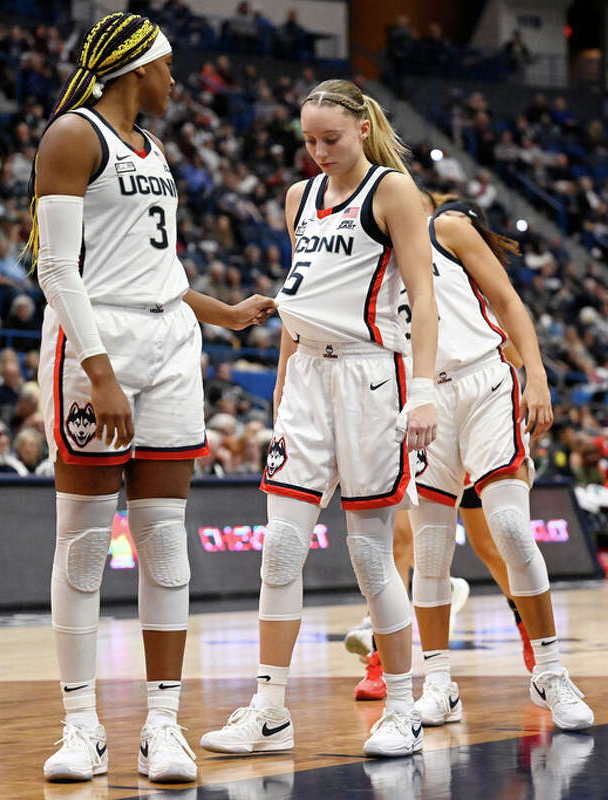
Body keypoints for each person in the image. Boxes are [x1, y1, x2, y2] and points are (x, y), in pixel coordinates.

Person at [27, 13, 275, 785]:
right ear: (139, 69)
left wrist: (222, 313)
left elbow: (155, 271)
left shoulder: (155, 149)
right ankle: (81, 728)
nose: (177, 81)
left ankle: (163, 726)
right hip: (96, 347)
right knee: (85, 546)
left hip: (171, 343)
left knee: (166, 543)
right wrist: (99, 373)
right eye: (170, 68)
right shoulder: (73, 136)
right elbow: (58, 271)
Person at [201, 79, 438, 759]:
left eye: (329, 138)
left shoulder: (393, 192)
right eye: (308, 140)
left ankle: (402, 706)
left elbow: (423, 296)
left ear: (362, 127)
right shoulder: (297, 198)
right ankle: (269, 709)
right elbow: (297, 291)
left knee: (368, 552)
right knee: (279, 547)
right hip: (306, 374)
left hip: (371, 376)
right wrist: (281, 381)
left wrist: (423, 389)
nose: (318, 151)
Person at [402, 193, 591, 731]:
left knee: (508, 526)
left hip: (485, 379)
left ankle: (550, 672)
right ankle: (438, 683)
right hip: (422, 396)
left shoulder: (449, 227)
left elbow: (508, 302)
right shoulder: (368, 251)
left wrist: (536, 374)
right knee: (431, 550)